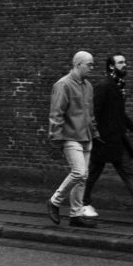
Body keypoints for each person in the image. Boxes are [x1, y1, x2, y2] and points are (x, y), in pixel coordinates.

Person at [85, 53, 133, 219]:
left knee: (127, 172)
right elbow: (94, 112)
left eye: (125, 62)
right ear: (112, 66)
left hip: (116, 139)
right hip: (103, 140)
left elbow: (118, 112)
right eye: (120, 62)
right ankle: (83, 203)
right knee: (93, 173)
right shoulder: (104, 85)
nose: (124, 65)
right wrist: (95, 135)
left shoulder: (118, 85)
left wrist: (132, 126)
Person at [46, 51, 100, 228]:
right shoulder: (63, 85)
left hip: (86, 137)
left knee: (83, 177)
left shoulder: (88, 86)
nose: (92, 68)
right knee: (79, 172)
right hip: (70, 136)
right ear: (78, 64)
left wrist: (95, 133)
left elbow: (90, 114)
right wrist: (56, 137)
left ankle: (76, 215)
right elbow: (56, 113)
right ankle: (54, 201)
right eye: (89, 64)